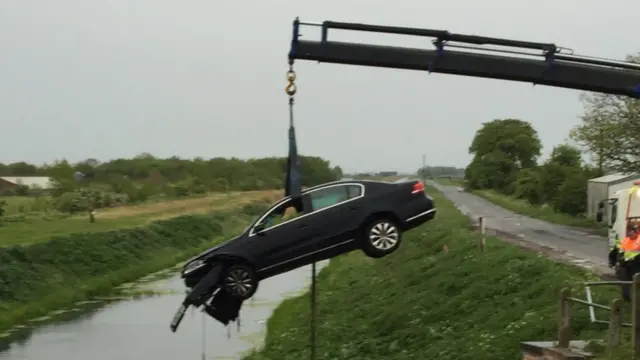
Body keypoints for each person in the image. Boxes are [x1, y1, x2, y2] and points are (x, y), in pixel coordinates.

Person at [618, 223, 640, 301]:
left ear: (636, 231)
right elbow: (621, 252)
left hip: (637, 266)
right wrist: (621, 260)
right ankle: (628, 300)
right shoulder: (625, 240)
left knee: (636, 284)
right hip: (626, 266)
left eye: (632, 231)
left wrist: (636, 259)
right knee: (625, 284)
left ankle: (636, 301)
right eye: (629, 231)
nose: (630, 233)